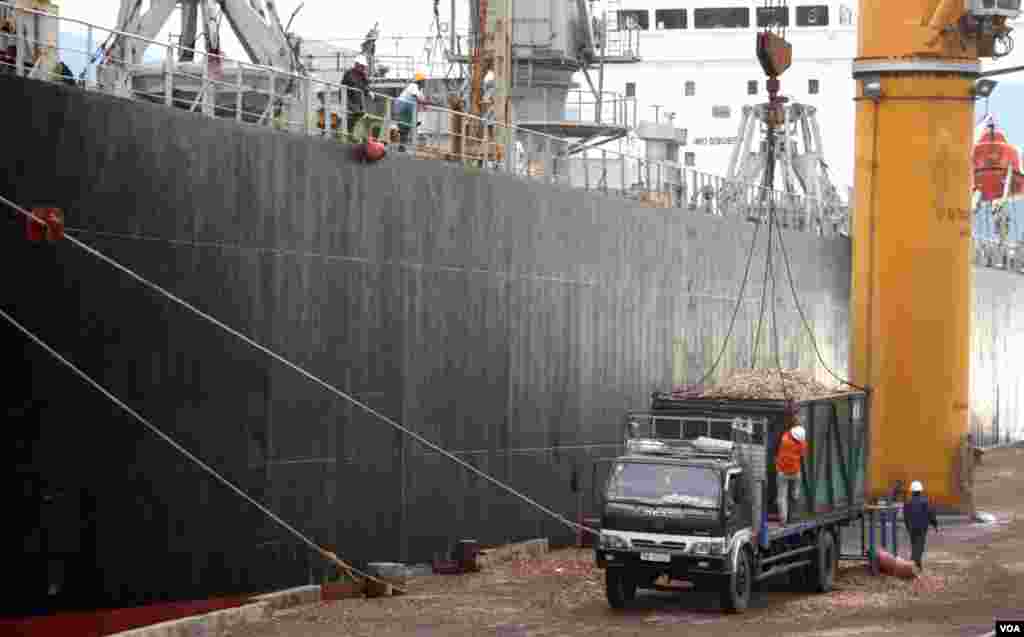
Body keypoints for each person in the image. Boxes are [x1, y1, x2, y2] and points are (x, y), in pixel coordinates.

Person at [775, 420, 807, 525]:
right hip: (795, 472)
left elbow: (788, 431)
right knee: (795, 493)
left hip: (782, 473)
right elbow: (803, 455)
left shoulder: (785, 439)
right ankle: (795, 513)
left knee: (782, 497)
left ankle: (783, 520)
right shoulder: (802, 444)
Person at [903, 480, 939, 572]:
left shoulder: (907, 502)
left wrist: (908, 527)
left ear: (912, 491)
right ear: (921, 490)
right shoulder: (926, 502)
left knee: (914, 545)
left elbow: (906, 517)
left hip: (912, 528)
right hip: (922, 528)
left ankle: (918, 566)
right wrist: (935, 525)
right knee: (919, 547)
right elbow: (931, 514)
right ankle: (913, 564)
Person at [340, 56, 370, 138]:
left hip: (358, 101)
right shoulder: (349, 73)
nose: (363, 68)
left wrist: (368, 91)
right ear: (356, 65)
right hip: (348, 99)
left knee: (358, 116)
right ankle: (348, 135)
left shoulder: (363, 75)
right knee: (352, 116)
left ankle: (352, 135)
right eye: (362, 66)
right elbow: (348, 85)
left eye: (364, 66)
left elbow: (365, 86)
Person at [395, 72, 425, 145]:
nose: (424, 82)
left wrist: (425, 103)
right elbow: (416, 97)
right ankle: (402, 144)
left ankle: (403, 144)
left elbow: (422, 100)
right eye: (423, 80)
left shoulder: (419, 90)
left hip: (408, 108)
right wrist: (424, 102)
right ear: (419, 81)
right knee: (404, 127)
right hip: (403, 106)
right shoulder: (413, 85)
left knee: (406, 127)